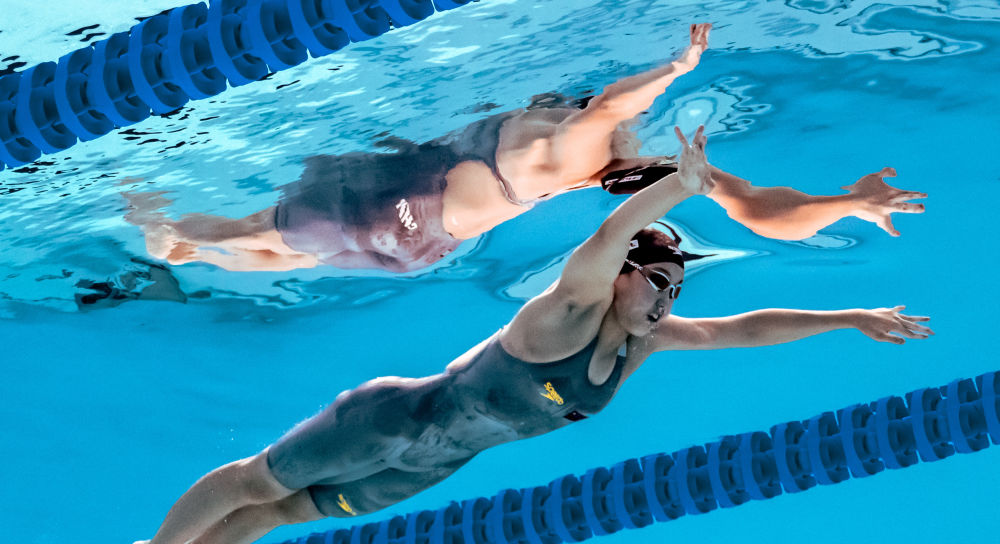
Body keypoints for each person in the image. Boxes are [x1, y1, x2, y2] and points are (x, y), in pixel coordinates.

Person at [87, 126, 931, 544]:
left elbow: (744, 327)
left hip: (430, 465)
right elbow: (607, 237)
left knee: (278, 515)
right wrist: (678, 186)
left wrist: (848, 317)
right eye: (655, 281)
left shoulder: (643, 345)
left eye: (676, 289)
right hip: (392, 419)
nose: (666, 300)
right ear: (621, 277)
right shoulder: (566, 311)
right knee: (254, 482)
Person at [124, 24, 925, 273]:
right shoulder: (609, 170)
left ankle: (163, 232)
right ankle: (187, 250)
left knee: (254, 228)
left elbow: (611, 104)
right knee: (285, 255)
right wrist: (847, 202)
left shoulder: (571, 142)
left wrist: (675, 70)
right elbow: (753, 207)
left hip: (386, 201)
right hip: (418, 246)